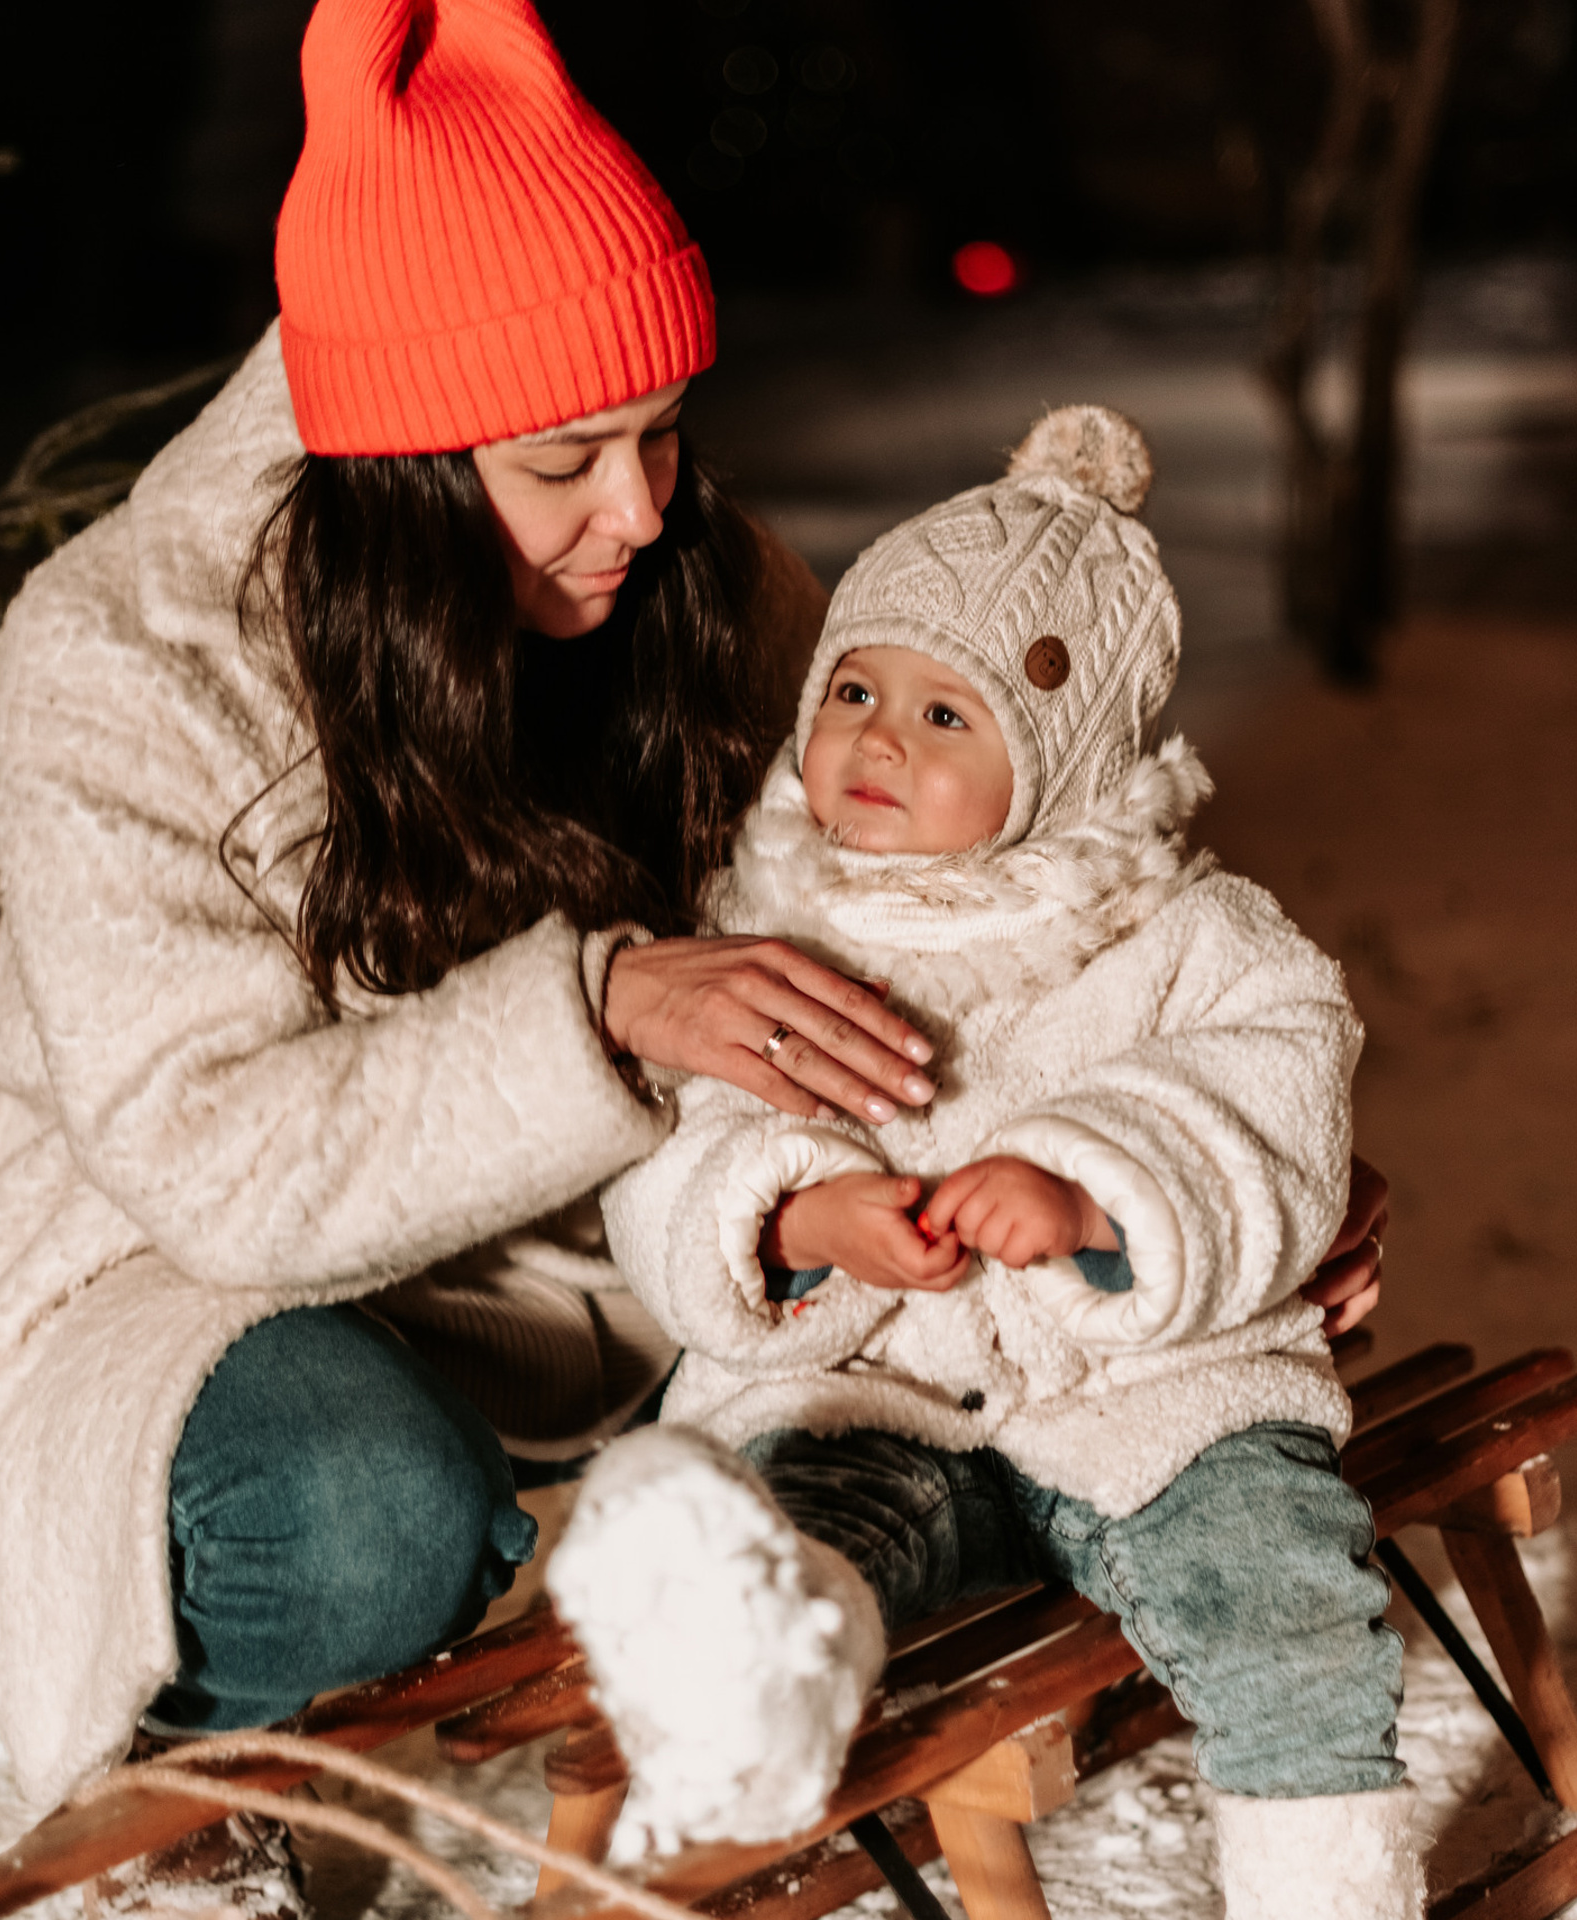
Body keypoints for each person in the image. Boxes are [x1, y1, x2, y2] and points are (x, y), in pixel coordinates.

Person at [0, 0, 1385, 1899]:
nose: (646, 506)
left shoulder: (690, 583)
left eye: (667, 430)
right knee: (365, 1503)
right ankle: (192, 1829)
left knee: (939, 1441)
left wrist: (1222, 1164)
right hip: (179, 1292)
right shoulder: (123, 662)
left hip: (642, 1265)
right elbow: (217, 1168)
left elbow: (954, 920)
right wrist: (602, 1010)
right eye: (567, 460)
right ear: (401, 469)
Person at [550, 408, 1421, 1920]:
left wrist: (1093, 1192)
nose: (880, 737)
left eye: (950, 716)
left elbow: (1273, 1089)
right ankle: (741, 1685)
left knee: (1285, 1597)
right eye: (858, 688)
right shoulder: (755, 929)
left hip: (1160, 1403)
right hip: (868, 1394)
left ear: (1066, 757)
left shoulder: (1197, 939)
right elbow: (678, 1149)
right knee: (791, 1525)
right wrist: (804, 1218)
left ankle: (1326, 1891)